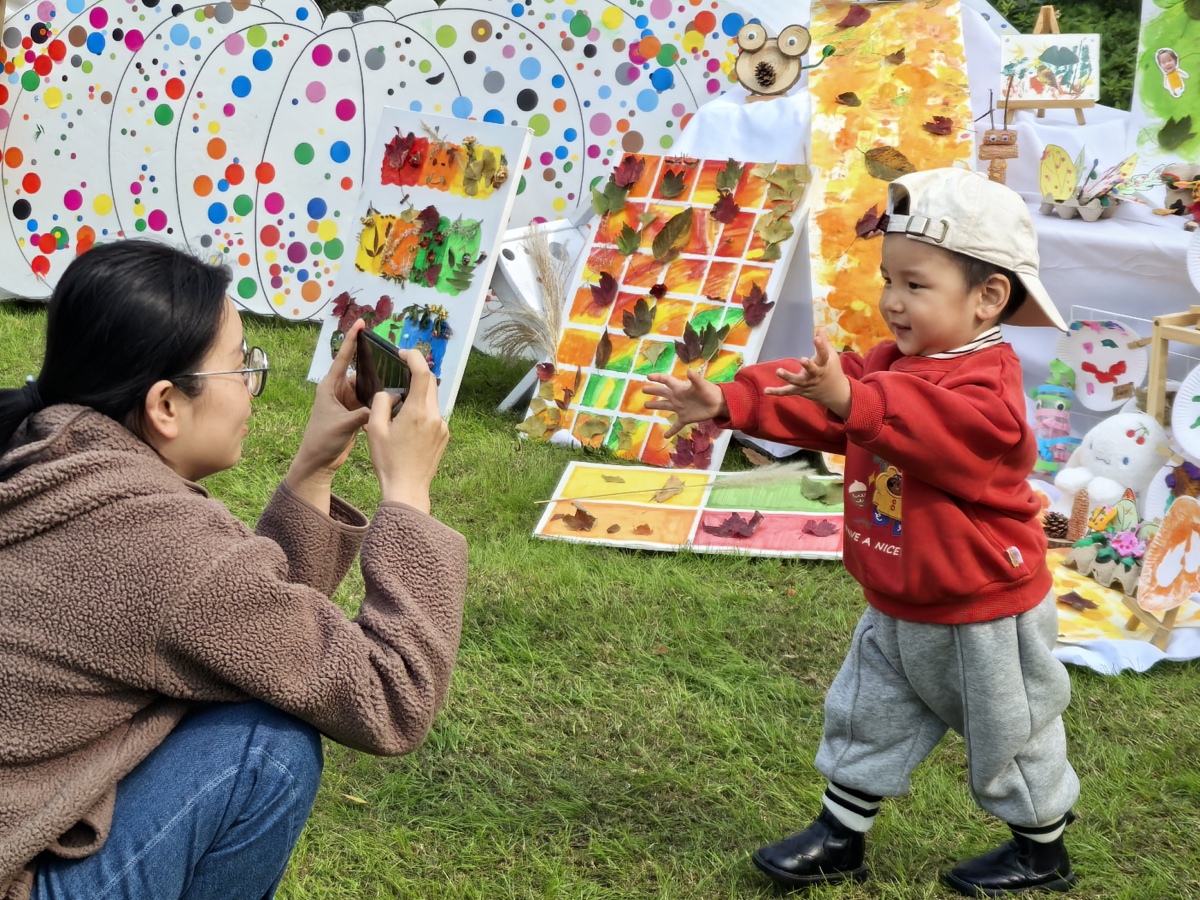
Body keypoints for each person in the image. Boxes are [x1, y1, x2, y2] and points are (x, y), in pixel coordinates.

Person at [644, 169, 1080, 896]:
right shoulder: (887, 367)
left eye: (915, 284)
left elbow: (936, 429)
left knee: (1012, 731)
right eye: (888, 281)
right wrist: (729, 399)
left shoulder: (989, 387)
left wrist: (854, 399)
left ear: (988, 297)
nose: (892, 301)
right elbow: (829, 398)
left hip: (981, 605)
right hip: (897, 592)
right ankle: (839, 836)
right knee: (865, 714)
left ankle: (1041, 850)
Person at [0, 240, 468, 900]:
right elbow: (393, 695)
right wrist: (410, 495)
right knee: (265, 747)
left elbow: (243, 636)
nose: (252, 385)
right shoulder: (159, 540)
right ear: (166, 405)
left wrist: (314, 469)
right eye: (241, 364)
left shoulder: (44, 450)